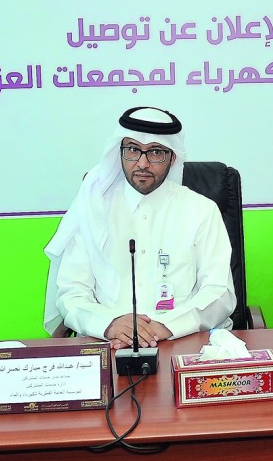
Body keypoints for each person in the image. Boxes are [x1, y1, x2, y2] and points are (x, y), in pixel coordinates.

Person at [44, 106, 236, 347]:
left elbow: (219, 293)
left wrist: (168, 325)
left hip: (181, 342)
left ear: (172, 157)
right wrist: (110, 323)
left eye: (155, 152)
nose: (142, 163)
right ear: (119, 152)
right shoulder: (93, 207)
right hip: (108, 344)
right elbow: (72, 292)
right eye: (133, 150)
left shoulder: (201, 210)